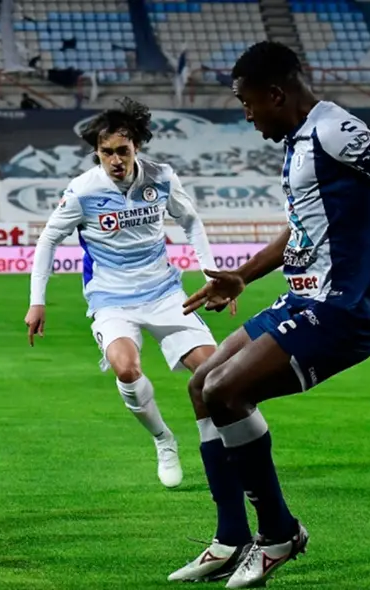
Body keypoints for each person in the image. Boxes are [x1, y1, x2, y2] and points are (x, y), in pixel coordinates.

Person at [170, 41, 370, 587]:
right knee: (201, 385)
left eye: (249, 103)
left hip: (345, 310)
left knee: (228, 391)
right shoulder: (300, 140)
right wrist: (243, 276)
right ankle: (230, 539)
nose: (246, 114)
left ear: (276, 94)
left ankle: (279, 535)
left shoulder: (332, 129)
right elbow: (304, 228)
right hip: (304, 300)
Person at [24, 97, 233, 490]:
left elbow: (191, 221)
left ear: (137, 146)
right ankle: (163, 440)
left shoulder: (161, 177)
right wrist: (38, 300)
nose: (115, 160)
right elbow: (49, 239)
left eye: (123, 150)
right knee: (126, 368)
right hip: (111, 299)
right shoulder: (83, 190)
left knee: (214, 373)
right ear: (97, 153)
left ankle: (216, 447)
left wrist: (213, 276)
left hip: (166, 293)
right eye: (106, 152)